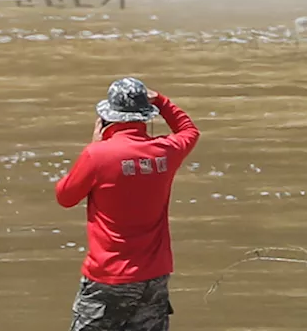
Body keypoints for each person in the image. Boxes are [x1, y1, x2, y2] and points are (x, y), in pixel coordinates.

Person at [55, 77, 201, 331]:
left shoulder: (97, 155)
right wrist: (163, 101)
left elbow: (65, 197)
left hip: (109, 276)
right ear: (146, 116)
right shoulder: (165, 151)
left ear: (107, 117)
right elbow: (189, 131)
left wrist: (93, 146)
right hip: (154, 276)